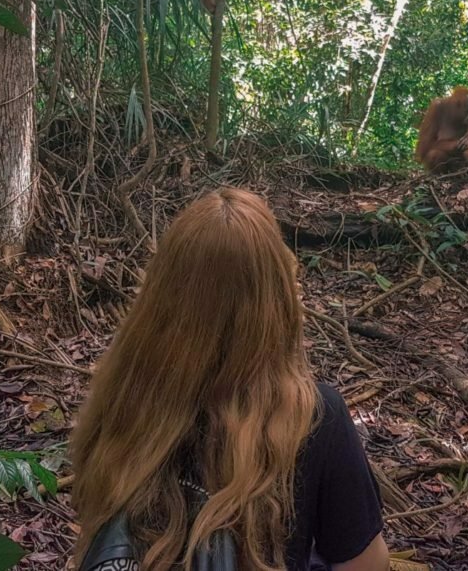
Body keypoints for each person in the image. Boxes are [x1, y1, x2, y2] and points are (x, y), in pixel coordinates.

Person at [70, 188, 389, 571]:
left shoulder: (123, 394)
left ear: (161, 292)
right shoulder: (315, 417)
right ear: (278, 298)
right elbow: (366, 564)